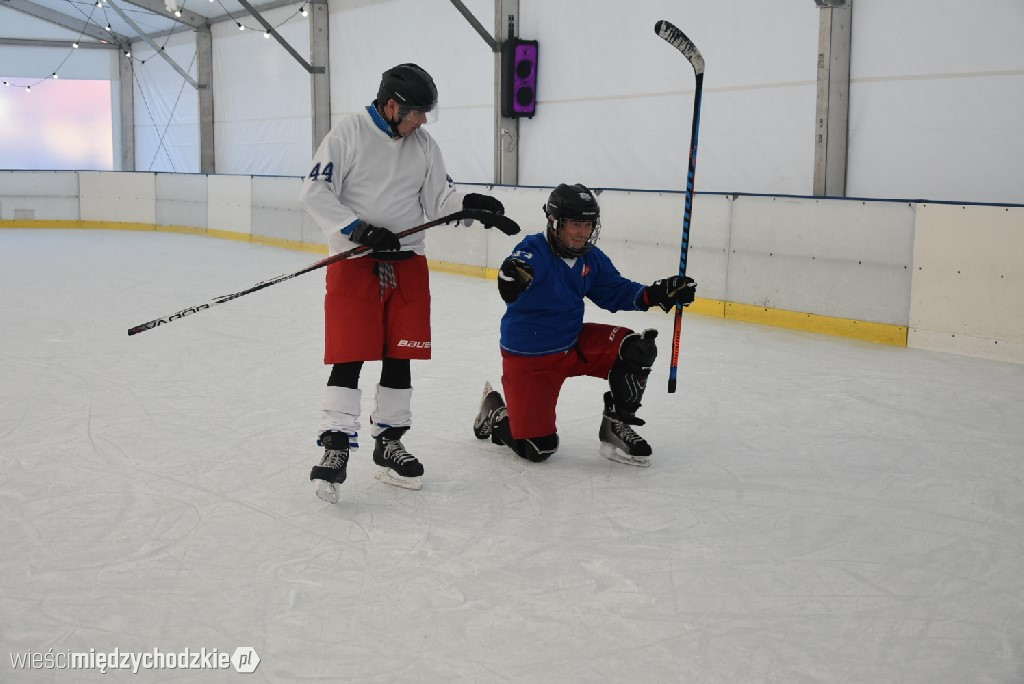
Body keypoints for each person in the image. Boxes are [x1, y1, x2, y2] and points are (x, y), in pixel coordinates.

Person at [300, 63, 505, 503]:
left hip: (408, 260)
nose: (423, 121)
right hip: (356, 260)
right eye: (416, 112)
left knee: (401, 354)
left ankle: (389, 442)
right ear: (391, 105)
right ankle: (335, 445)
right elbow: (315, 191)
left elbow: (439, 200)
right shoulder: (349, 134)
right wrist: (358, 229)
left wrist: (472, 204)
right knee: (350, 354)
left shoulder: (424, 145)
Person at [473, 182, 697, 467]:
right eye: (575, 224)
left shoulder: (590, 257)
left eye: (588, 224)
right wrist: (512, 279)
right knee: (538, 448)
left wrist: (656, 293)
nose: (583, 233)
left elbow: (615, 290)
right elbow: (514, 272)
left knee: (637, 348)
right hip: (532, 358)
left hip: (573, 344)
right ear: (555, 223)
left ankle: (615, 428)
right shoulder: (533, 250)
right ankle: (496, 410)